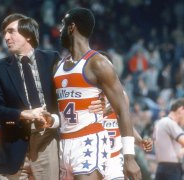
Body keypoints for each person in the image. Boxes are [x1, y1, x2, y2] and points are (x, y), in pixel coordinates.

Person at [54, 7, 141, 179]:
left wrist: (129, 157)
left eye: (62, 25)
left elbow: (122, 110)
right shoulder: (59, 66)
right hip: (63, 141)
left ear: (72, 27)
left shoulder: (98, 63)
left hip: (89, 139)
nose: (59, 29)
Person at [0, 13, 61, 179]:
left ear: (28, 35)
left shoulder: (52, 59)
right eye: (5, 32)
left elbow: (66, 97)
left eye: (11, 31)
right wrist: (22, 114)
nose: (6, 37)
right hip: (13, 145)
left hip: (47, 140)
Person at [98, 51, 153, 180]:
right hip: (92, 156)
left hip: (114, 158)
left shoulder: (121, 95)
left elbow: (125, 124)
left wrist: (139, 141)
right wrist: (103, 113)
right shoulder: (87, 93)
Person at [153, 98, 184, 180]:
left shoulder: (160, 122)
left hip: (161, 168)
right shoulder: (170, 123)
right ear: (181, 109)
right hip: (171, 170)